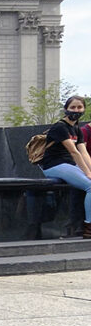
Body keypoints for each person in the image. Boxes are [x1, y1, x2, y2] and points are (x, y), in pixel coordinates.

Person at [38, 95, 91, 238]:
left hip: (68, 165)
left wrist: (90, 170)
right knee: (90, 186)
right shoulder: (60, 127)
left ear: (84, 109)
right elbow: (74, 152)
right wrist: (87, 173)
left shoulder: (77, 129)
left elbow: (83, 152)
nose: (76, 110)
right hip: (54, 165)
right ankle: (88, 228)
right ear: (65, 109)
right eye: (72, 107)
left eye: (79, 107)